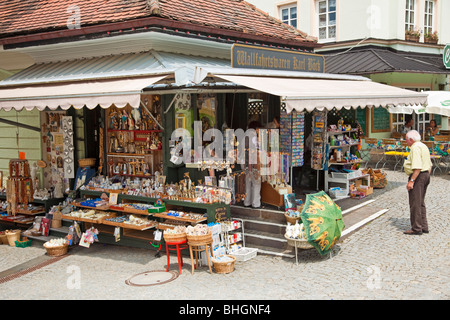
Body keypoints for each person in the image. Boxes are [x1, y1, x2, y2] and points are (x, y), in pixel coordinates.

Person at [403, 130, 432, 235]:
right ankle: (424, 226)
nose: (405, 141)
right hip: (425, 175)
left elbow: (417, 166)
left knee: (415, 203)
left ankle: (416, 228)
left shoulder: (415, 148)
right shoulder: (423, 146)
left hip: (418, 176)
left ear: (411, 139)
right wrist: (426, 176)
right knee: (420, 202)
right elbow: (430, 165)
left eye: (406, 139)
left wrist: (412, 181)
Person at [243, 120, 262, 208]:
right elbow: (258, 149)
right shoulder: (254, 136)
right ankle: (255, 203)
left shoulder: (244, 135)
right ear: (256, 128)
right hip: (254, 162)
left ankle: (247, 202)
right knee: (256, 183)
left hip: (245, 162)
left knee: (247, 182)